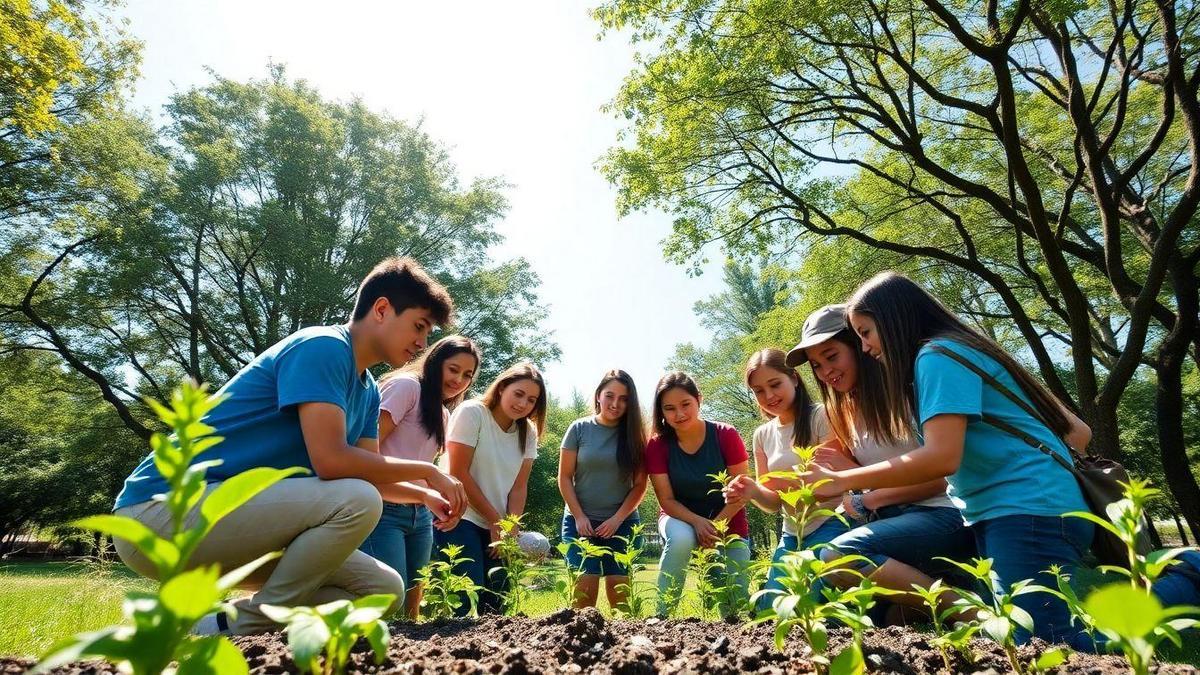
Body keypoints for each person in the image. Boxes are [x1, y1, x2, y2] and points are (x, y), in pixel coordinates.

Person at [111, 257, 468, 635]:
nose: (422, 344)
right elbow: (332, 461)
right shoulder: (323, 347)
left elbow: (369, 471)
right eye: (419, 326)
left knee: (381, 591)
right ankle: (247, 624)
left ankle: (208, 626)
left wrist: (423, 496)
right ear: (381, 309)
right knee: (358, 499)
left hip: (234, 524)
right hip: (159, 514)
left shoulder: (365, 391)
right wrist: (429, 472)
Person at [806, 272, 1094, 645]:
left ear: (894, 320)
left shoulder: (936, 358)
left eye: (866, 332)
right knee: (1032, 639)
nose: (864, 346)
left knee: (1040, 643)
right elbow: (1079, 432)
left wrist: (845, 481)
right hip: (1011, 508)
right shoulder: (955, 350)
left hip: (1025, 508)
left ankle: (1186, 575)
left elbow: (942, 458)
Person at [789, 304, 975, 616]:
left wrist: (869, 498)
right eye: (817, 365)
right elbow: (861, 482)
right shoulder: (843, 412)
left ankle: (971, 612)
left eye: (832, 356)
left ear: (859, 346)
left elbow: (944, 474)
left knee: (839, 556)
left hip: (946, 513)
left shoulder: (907, 391)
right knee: (873, 615)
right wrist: (850, 489)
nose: (826, 371)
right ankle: (948, 590)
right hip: (895, 520)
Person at [358, 335, 480, 618]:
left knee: (412, 609)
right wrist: (426, 487)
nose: (459, 380)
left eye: (467, 375)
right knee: (390, 602)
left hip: (419, 516)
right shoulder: (405, 387)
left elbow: (423, 468)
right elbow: (365, 458)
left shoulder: (442, 414)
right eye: (453, 369)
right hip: (382, 508)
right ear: (435, 361)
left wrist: (440, 499)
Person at [723, 348, 846, 613]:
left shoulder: (822, 416)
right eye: (758, 391)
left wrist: (782, 486)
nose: (768, 396)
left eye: (775, 384)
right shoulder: (762, 435)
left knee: (812, 610)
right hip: (791, 533)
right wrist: (752, 491)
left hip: (830, 524)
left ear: (794, 378)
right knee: (773, 612)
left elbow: (830, 485)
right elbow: (773, 503)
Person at [435, 362, 547, 615]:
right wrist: (494, 520)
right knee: (467, 597)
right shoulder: (473, 412)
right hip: (460, 515)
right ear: (501, 388)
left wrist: (511, 527)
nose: (522, 404)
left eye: (531, 400)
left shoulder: (526, 431)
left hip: (497, 523)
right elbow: (458, 473)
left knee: (497, 600)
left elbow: (519, 487)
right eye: (518, 394)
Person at [646, 371, 752, 616]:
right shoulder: (657, 445)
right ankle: (661, 616)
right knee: (682, 538)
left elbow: (741, 491)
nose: (679, 414)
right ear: (661, 412)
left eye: (686, 404)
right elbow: (666, 499)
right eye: (670, 408)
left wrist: (714, 528)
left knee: (734, 606)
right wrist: (697, 522)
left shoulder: (726, 435)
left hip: (728, 521)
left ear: (699, 400)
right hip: (679, 518)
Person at [558, 369, 649, 609]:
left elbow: (640, 485)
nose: (615, 404)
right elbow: (565, 477)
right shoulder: (578, 429)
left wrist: (618, 519)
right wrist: (579, 516)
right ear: (599, 395)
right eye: (610, 396)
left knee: (620, 599)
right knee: (584, 596)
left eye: (624, 399)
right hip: (580, 523)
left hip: (621, 524)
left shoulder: (635, 437)